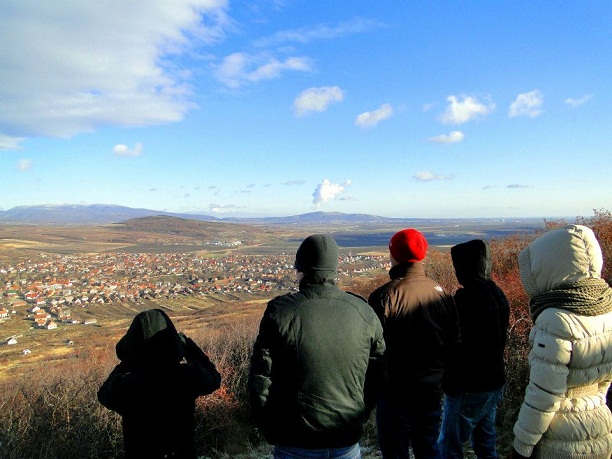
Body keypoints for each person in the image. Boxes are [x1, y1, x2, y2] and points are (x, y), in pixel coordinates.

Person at [248, 234, 387, 459]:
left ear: (301, 268)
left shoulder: (281, 312)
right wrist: (358, 416)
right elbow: (378, 375)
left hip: (295, 440)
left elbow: (261, 379)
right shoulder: (364, 313)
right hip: (346, 439)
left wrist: (270, 429)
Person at [512, 225, 612, 459]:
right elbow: (604, 381)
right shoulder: (606, 310)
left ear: (549, 268)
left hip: (560, 439)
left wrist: (522, 446)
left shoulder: (554, 319)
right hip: (601, 427)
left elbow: (543, 396)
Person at [368, 228, 461, 459]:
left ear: (394, 256)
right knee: (429, 448)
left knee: (395, 452)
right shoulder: (442, 293)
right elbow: (454, 343)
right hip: (431, 390)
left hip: (394, 393)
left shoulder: (384, 296)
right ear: (423, 255)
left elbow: (371, 350)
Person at [98, 308, 221, 459]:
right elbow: (214, 378)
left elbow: (103, 394)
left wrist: (129, 360)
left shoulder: (125, 385)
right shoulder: (187, 376)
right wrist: (188, 346)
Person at [437, 239, 510, 459]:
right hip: (494, 380)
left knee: (448, 446)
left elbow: (453, 343)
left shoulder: (466, 299)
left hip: (468, 384)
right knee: (485, 443)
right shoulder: (497, 294)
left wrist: (447, 378)